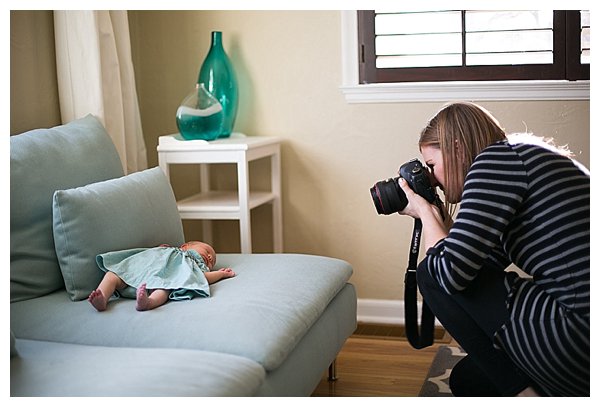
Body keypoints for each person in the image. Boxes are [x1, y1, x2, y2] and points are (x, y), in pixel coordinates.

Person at [397, 101, 589, 396]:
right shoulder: (519, 155)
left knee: (430, 273)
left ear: (457, 148)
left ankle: (526, 395)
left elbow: (449, 277)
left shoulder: (495, 160)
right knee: (469, 379)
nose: (432, 180)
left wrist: (425, 213)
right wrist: (442, 222)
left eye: (432, 166)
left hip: (578, 329)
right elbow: (479, 267)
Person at [88, 241, 235, 312]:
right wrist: (160, 248)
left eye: (212, 260)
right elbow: (149, 256)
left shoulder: (194, 265)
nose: (210, 257)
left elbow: (202, 278)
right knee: (113, 275)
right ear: (187, 245)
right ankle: (102, 297)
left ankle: (147, 302)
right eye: (207, 250)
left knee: (164, 291)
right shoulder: (174, 251)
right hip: (135, 273)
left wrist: (221, 274)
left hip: (160, 282)